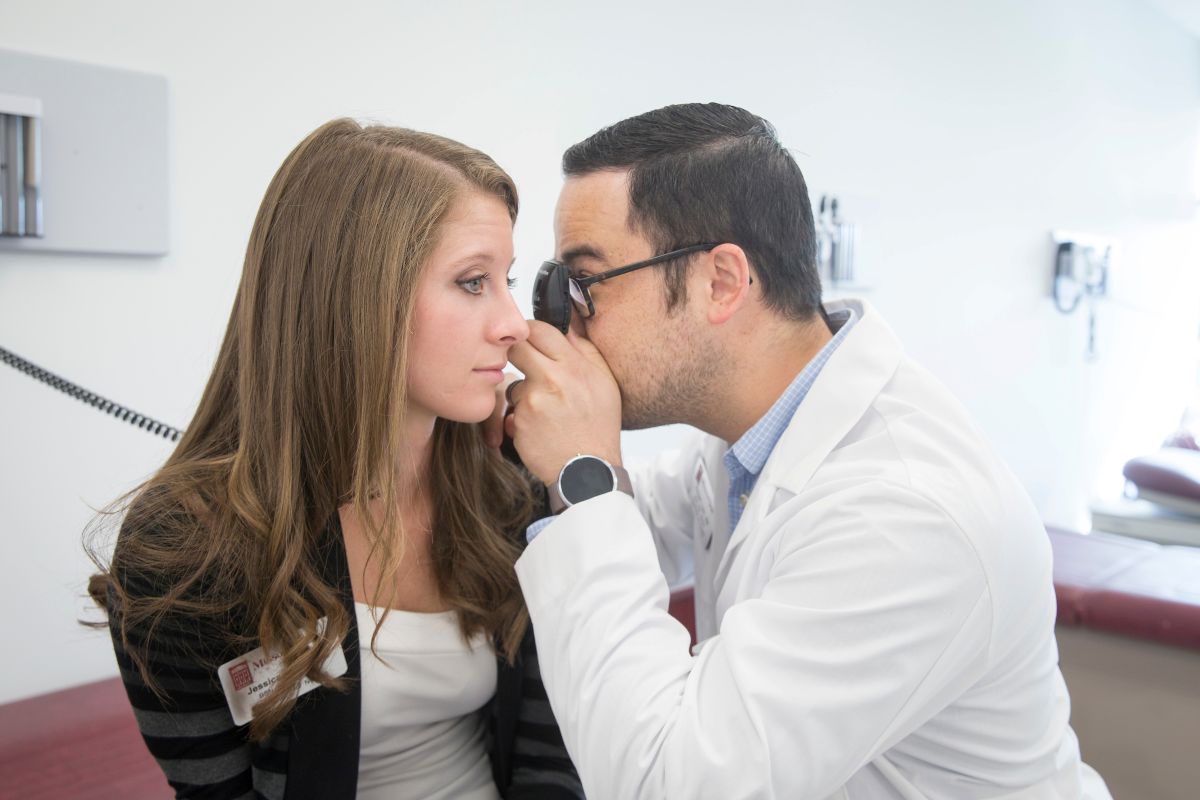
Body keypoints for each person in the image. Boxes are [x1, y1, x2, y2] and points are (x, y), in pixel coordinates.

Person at [503, 103, 1111, 799]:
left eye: (585, 285)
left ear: (720, 282)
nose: (563, 326)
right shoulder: (760, 433)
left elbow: (668, 781)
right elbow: (644, 525)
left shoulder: (906, 512)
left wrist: (587, 475)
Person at [86, 118, 582, 800]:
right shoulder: (185, 554)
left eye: (508, 280)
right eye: (472, 282)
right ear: (356, 299)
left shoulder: (507, 485)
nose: (512, 324)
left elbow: (551, 749)